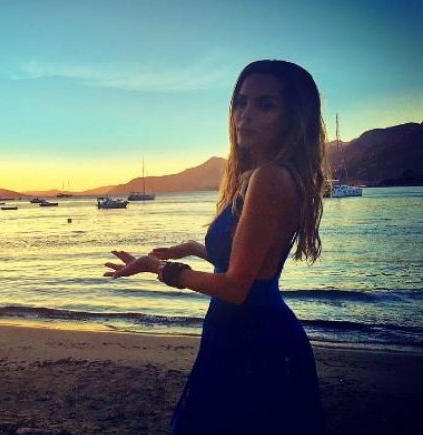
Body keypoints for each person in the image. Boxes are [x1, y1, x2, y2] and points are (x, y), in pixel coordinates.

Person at [104, 60, 326, 434]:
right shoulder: (265, 176)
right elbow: (251, 265)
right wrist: (194, 247)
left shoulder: (269, 178)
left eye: (265, 105)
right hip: (244, 330)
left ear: (293, 117)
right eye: (241, 102)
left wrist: (157, 268)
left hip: (252, 337)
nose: (245, 115)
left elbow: (237, 287)